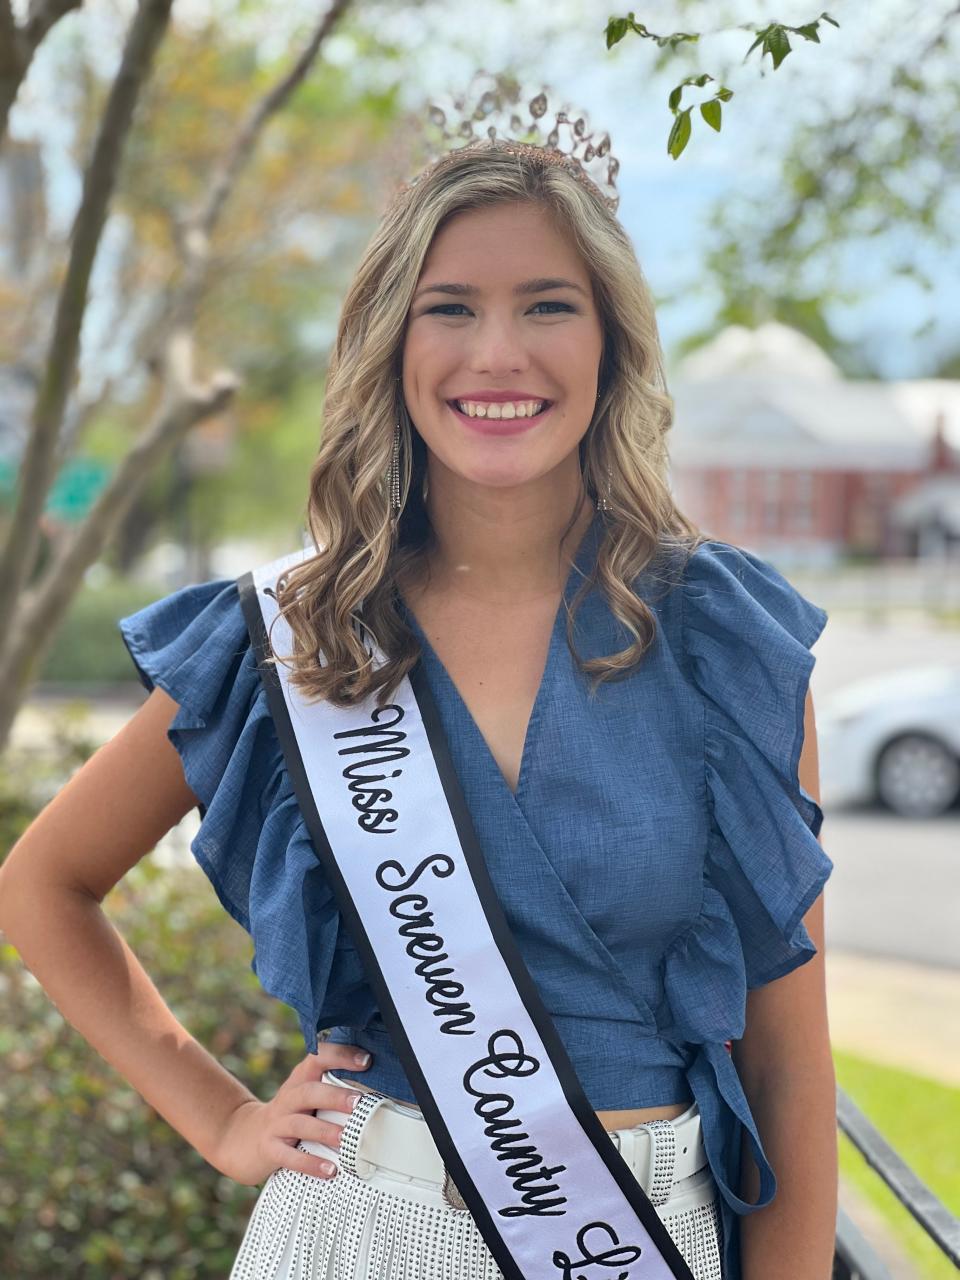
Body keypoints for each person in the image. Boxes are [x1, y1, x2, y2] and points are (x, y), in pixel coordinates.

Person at [0, 124, 838, 1280]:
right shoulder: (297, 634)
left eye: (548, 305)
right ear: (393, 343)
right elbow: (41, 882)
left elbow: (790, 1067)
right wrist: (222, 1116)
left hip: (641, 1238)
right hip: (358, 1228)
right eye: (450, 308)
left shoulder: (722, 636)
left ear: (612, 345)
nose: (498, 352)